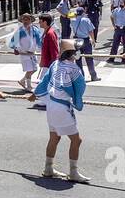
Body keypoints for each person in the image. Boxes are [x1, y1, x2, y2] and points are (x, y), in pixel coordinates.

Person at [26, 40, 89, 182]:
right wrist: (77, 101)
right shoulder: (73, 68)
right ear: (72, 53)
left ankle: (48, 168)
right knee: (76, 140)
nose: (79, 52)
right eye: (77, 50)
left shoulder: (56, 63)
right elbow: (79, 86)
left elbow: (45, 81)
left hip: (51, 104)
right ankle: (73, 172)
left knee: (54, 137)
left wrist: (35, 94)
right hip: (62, 107)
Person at [10, 13, 43, 91]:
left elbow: (39, 40)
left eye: (27, 19)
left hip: (32, 52)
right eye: (24, 19)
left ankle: (22, 80)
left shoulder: (35, 29)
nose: (25, 21)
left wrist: (42, 48)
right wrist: (16, 49)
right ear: (22, 21)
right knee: (29, 70)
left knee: (34, 69)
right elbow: (13, 42)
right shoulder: (20, 31)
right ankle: (29, 86)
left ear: (31, 20)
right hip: (24, 53)